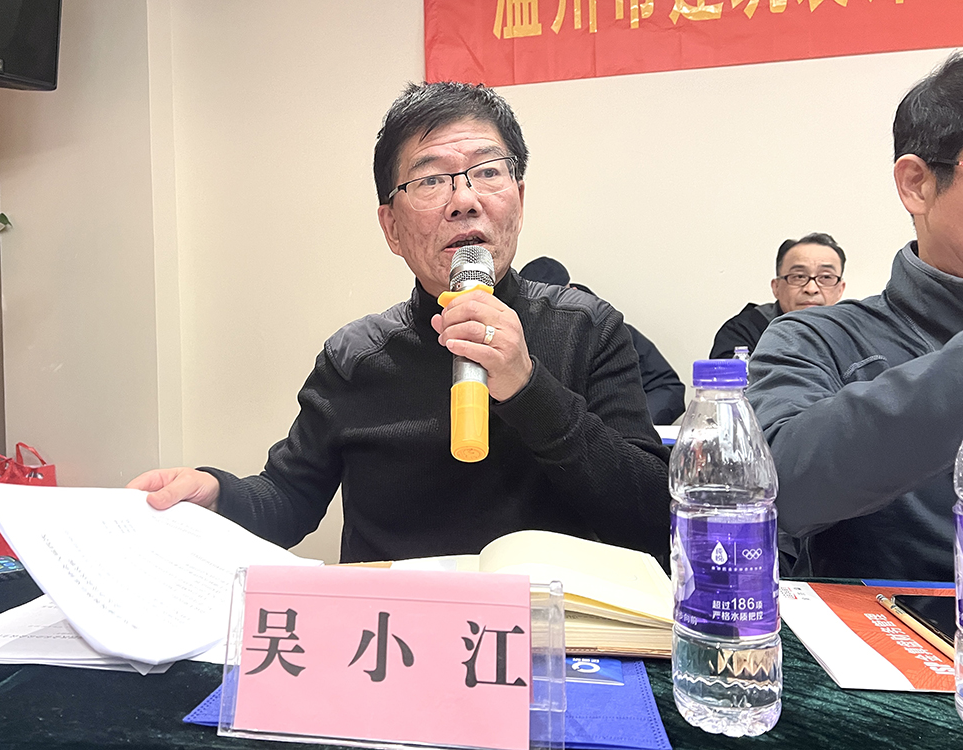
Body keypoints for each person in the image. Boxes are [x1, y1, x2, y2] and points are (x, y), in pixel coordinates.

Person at [129, 82, 671, 563]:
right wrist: (218, 496)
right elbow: (288, 498)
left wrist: (529, 388)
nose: (464, 200)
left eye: (487, 172)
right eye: (430, 180)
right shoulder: (354, 357)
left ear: (519, 200)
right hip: (394, 632)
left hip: (551, 632)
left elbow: (653, 520)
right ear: (390, 227)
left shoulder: (588, 329)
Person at [745, 52, 963, 580]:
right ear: (917, 184)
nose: (812, 287)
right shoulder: (815, 339)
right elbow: (779, 485)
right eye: (801, 276)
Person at [518, 256, 685, 424]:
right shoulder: (516, 338)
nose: (551, 312)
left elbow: (666, 387)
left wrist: (633, 425)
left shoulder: (611, 331)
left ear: (573, 291)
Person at [709, 233, 846, 359]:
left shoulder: (852, 334)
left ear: (840, 289)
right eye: (799, 276)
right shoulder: (743, 331)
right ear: (776, 287)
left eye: (826, 277)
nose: (811, 289)